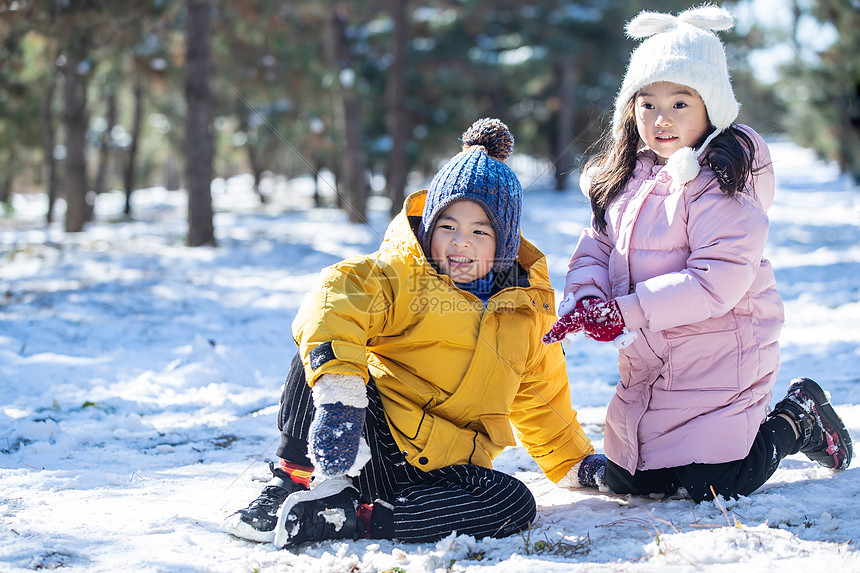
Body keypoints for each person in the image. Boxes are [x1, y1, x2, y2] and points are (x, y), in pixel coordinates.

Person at [223, 118, 600, 549]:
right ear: (428, 229)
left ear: (506, 243)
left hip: (438, 470)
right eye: (448, 227)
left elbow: (541, 402)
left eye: (480, 232)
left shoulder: (527, 314)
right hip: (362, 436)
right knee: (325, 346)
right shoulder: (401, 277)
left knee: (514, 503)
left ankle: (352, 518)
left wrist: (579, 464)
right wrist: (342, 395)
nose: (461, 243)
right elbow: (336, 295)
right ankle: (292, 483)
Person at [543, 5, 852, 503]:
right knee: (634, 481)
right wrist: (587, 297)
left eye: (680, 103)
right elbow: (595, 246)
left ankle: (798, 417)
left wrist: (623, 312)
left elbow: (717, 281)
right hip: (653, 365)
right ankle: (649, 462)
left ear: (712, 107)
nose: (661, 118)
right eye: (647, 103)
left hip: (722, 354)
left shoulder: (725, 180)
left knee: (713, 484)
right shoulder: (628, 175)